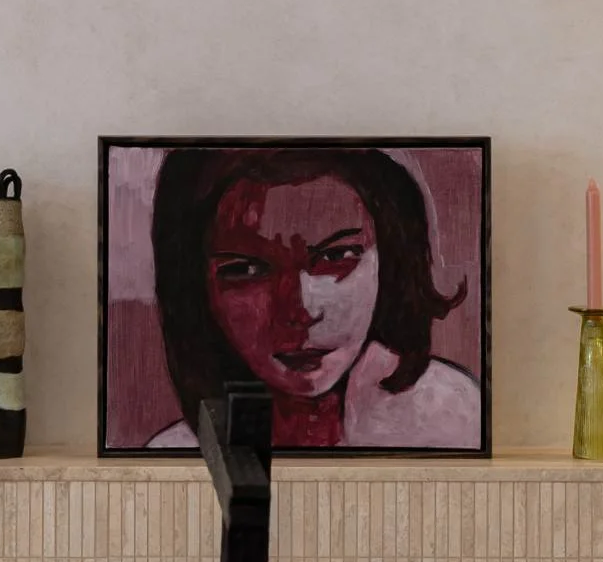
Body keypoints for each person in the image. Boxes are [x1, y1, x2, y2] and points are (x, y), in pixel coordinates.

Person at [144, 145, 481, 452]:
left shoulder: (451, 415)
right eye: (246, 270)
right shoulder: (176, 457)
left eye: (337, 256)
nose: (301, 310)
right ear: (196, 286)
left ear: (392, 261)